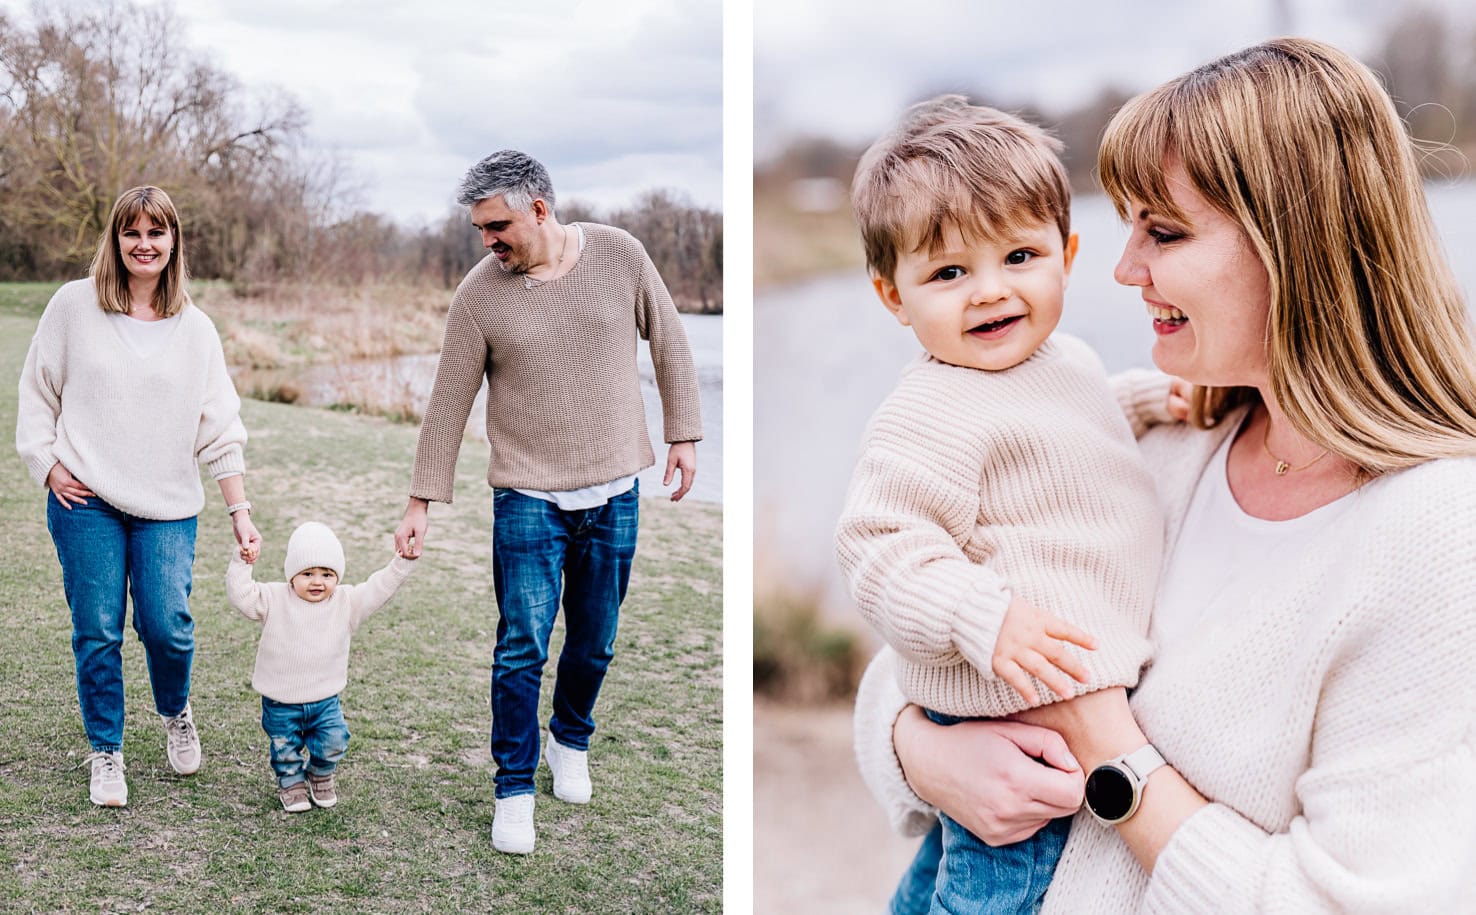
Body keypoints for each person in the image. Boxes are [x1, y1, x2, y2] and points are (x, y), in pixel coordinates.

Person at [854, 37, 1476, 912]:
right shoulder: (1179, 438)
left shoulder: (1435, 537)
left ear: (1293, 242)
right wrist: (924, 752)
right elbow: (914, 645)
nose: (1122, 268)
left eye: (1164, 231)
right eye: (1127, 225)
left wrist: (1110, 748)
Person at [834, 96, 1164, 914]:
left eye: (1019, 255)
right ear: (892, 295)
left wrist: (1154, 399)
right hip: (1017, 733)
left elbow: (1069, 433)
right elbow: (881, 547)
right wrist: (983, 616)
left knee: (936, 885)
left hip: (1038, 727)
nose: (989, 292)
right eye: (948, 272)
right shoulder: (928, 410)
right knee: (991, 892)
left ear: (1067, 252)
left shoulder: (1069, 359)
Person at [393, 150, 703, 854]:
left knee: (595, 641)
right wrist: (420, 501)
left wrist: (683, 431)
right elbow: (448, 402)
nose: (488, 241)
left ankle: (570, 738)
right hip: (528, 497)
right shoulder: (480, 294)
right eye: (479, 229)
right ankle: (513, 789)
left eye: (497, 225)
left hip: (615, 489)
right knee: (521, 647)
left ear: (540, 207)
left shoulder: (620, 255)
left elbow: (673, 342)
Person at [16, 185, 262, 808]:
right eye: (132, 232)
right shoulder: (74, 306)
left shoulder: (196, 328)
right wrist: (46, 465)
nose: (144, 244)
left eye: (157, 232)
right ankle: (107, 750)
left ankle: (175, 711)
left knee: (167, 627)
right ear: (116, 239)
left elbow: (220, 425)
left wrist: (241, 513)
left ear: (173, 241)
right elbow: (37, 389)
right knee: (97, 629)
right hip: (85, 502)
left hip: (168, 508)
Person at [226, 521, 415, 812]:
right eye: (308, 573)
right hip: (280, 701)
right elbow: (241, 596)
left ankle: (320, 773)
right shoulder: (275, 598)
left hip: (325, 700)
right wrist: (242, 562)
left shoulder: (347, 602)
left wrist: (400, 563)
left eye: (327, 574)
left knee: (334, 740)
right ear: (292, 576)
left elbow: (378, 589)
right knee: (284, 747)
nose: (317, 582)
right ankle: (291, 782)